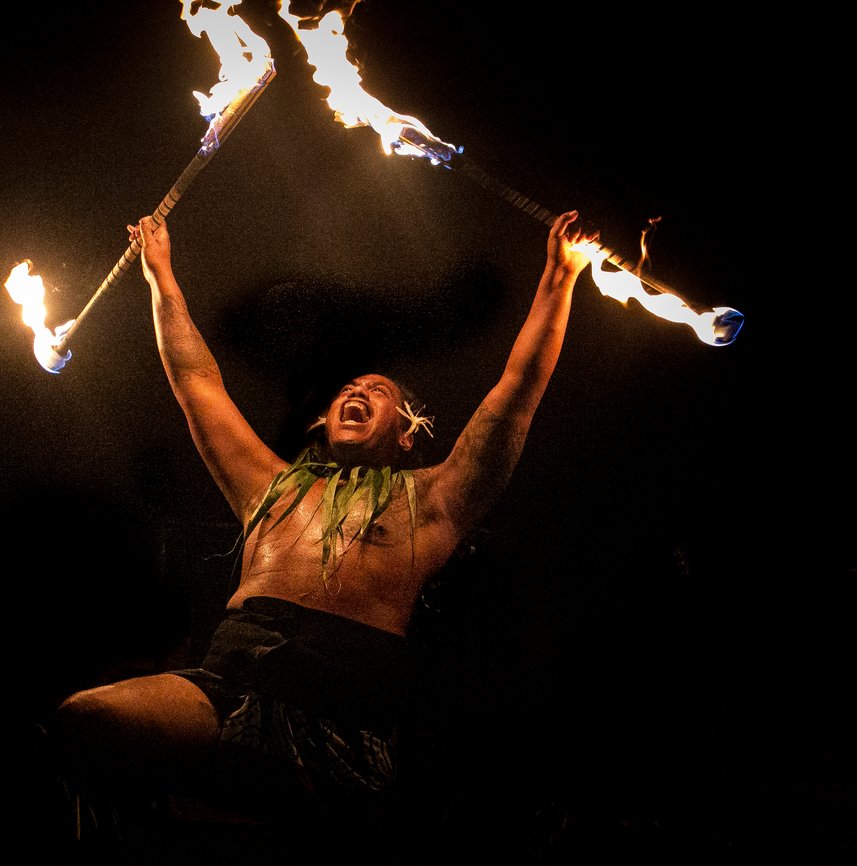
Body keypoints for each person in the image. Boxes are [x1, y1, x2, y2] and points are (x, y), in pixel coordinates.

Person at [44, 209, 594, 860]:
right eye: (349, 388)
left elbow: (516, 392)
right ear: (323, 422)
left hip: (343, 708)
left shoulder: (433, 501)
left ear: (406, 434)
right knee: (84, 720)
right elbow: (196, 383)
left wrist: (559, 279)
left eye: (378, 390)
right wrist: (160, 272)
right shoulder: (268, 486)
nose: (358, 389)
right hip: (230, 684)